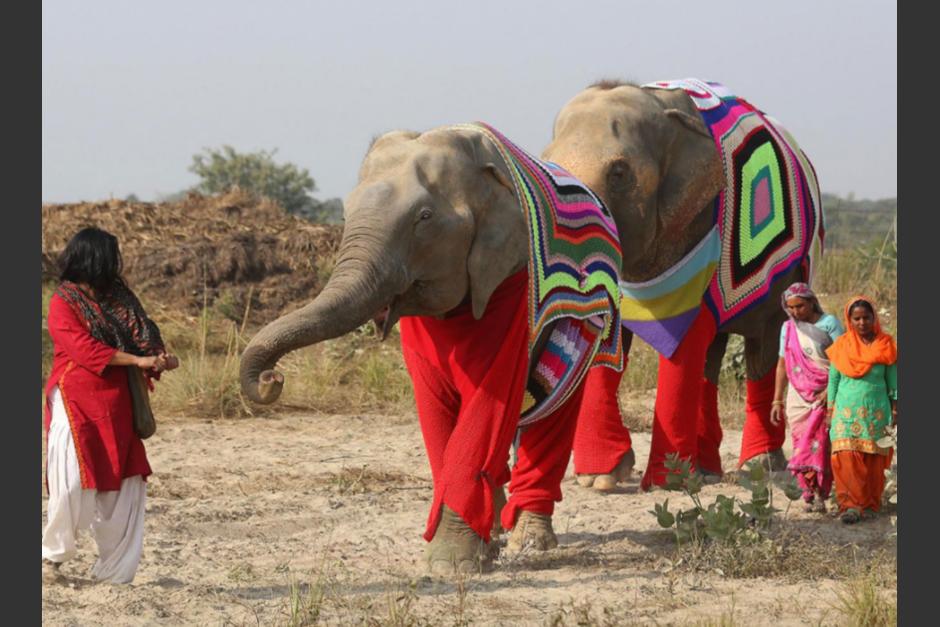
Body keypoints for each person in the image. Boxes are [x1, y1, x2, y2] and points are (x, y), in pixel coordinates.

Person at [42, 227, 179, 584]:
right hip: (76, 402)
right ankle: (51, 560)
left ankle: (115, 573)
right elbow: (84, 350)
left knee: (126, 482)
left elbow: (144, 335)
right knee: (73, 480)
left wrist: (159, 358)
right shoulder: (63, 302)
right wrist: (137, 362)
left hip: (119, 403)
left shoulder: (120, 297)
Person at [769, 283, 844, 513]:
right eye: (791, 307)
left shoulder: (829, 324)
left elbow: (842, 361)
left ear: (811, 302)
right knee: (800, 442)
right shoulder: (788, 328)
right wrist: (777, 399)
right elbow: (782, 364)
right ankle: (807, 492)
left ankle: (823, 492)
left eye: (800, 306)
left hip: (825, 393)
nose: (795, 312)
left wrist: (828, 392)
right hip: (797, 395)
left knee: (821, 443)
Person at [825, 296, 898, 524]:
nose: (862, 322)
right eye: (856, 318)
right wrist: (830, 410)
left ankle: (869, 504)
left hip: (877, 412)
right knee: (845, 456)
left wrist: (896, 410)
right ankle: (850, 506)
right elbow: (833, 381)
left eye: (866, 317)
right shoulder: (841, 347)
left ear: (873, 317)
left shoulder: (886, 345)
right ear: (849, 320)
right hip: (845, 412)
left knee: (874, 458)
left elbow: (893, 383)